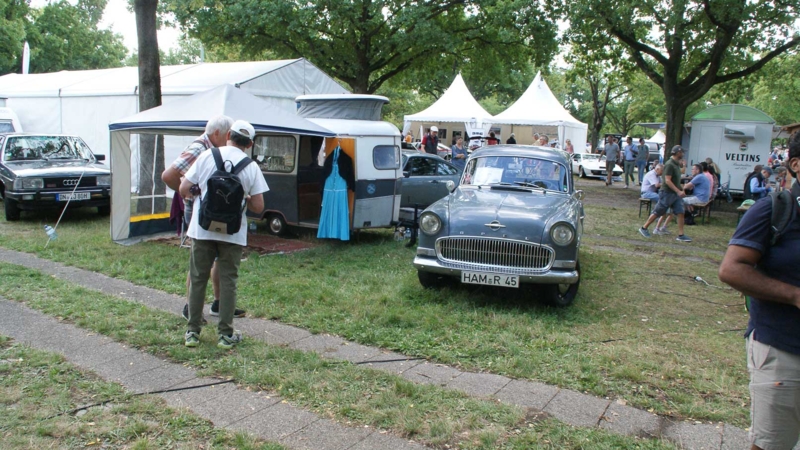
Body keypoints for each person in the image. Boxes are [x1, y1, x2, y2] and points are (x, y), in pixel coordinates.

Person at [717, 132, 800, 450]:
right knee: (772, 444)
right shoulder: (773, 210)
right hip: (783, 350)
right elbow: (731, 269)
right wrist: (794, 295)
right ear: (795, 164)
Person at [180, 120, 269, 349]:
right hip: (232, 232)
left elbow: (183, 189)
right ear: (249, 144)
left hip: (202, 227)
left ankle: (192, 331)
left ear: (228, 134)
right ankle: (225, 334)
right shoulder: (251, 166)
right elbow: (259, 207)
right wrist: (246, 198)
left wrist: (198, 194)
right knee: (228, 281)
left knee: (198, 277)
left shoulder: (207, 156)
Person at [160, 115, 246, 322]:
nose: (228, 140)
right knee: (201, 260)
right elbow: (168, 175)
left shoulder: (215, 149)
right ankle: (191, 307)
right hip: (199, 210)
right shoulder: (200, 148)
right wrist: (188, 195)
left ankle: (219, 303)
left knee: (215, 257)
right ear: (217, 134)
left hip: (212, 210)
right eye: (226, 135)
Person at [639, 145, 691, 242]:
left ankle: (681, 235)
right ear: (678, 152)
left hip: (675, 194)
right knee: (658, 211)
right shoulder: (670, 164)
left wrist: (681, 190)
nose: (683, 154)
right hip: (667, 193)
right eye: (682, 152)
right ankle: (644, 228)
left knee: (680, 212)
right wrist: (678, 191)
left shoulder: (676, 164)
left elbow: (676, 180)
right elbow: (667, 180)